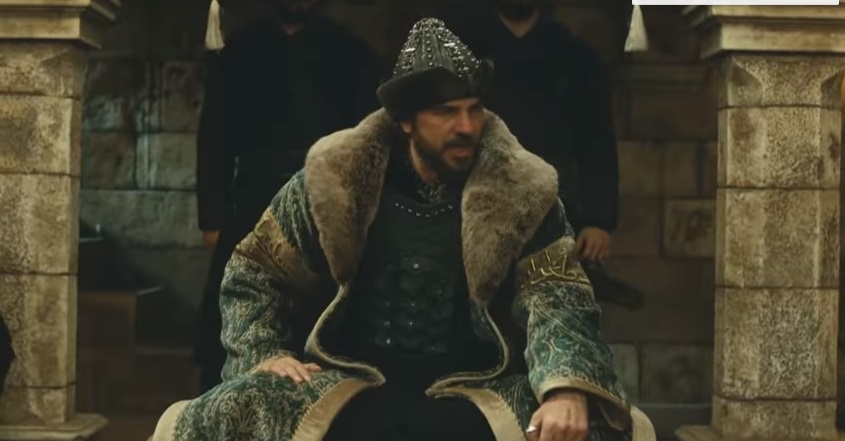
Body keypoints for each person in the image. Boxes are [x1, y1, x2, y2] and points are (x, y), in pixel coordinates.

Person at [156, 18, 653, 441]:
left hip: (476, 389)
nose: (466, 126)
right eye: (446, 112)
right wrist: (263, 352)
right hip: (350, 384)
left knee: (601, 426)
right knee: (230, 410)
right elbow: (255, 271)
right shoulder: (335, 181)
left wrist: (564, 389)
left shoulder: (521, 190)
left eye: (473, 109)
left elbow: (558, 294)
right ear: (407, 122)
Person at [194, 0, 384, 392]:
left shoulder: (351, 52)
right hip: (253, 198)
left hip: (325, 199)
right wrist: (212, 217)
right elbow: (214, 138)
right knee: (230, 312)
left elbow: (367, 141)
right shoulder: (239, 52)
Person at [449, 0, 643, 308]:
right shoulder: (464, 53)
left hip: (556, 210)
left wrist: (598, 221)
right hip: (475, 209)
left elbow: (596, 142)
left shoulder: (576, 58)